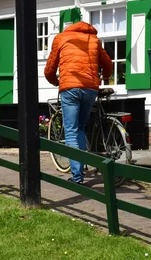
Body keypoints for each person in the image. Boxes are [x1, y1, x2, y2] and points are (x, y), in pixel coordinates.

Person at [44, 21, 113, 184]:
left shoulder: (61, 38)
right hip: (90, 89)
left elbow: (49, 69)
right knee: (80, 128)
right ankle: (81, 166)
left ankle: (77, 176)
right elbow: (108, 64)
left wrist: (55, 81)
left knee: (71, 130)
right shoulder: (94, 40)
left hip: (70, 89)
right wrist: (106, 77)